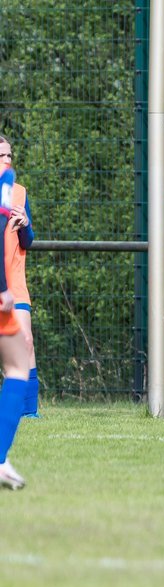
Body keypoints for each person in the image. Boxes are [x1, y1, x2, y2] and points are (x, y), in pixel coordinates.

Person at [0, 138, 40, 419]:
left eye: (9, 154)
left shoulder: (18, 192)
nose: (6, 159)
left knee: (25, 342)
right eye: (1, 155)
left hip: (13, 282)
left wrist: (25, 225)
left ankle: (30, 412)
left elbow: (27, 241)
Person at [0, 164, 31, 488]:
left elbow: (27, 239)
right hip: (2, 292)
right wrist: (2, 287)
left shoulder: (18, 191)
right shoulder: (5, 181)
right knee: (18, 365)